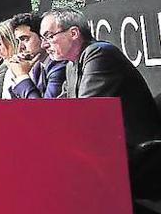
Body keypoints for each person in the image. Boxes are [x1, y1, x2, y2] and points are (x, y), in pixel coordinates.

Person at [43, 9, 161, 151]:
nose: (44, 45)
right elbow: (58, 110)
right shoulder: (70, 65)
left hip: (137, 153)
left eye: (49, 37)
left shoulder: (99, 53)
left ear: (74, 33)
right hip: (108, 149)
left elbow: (84, 113)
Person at [7, 12, 67, 99]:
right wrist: (17, 75)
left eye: (25, 39)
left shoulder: (58, 65)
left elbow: (43, 109)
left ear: (42, 37)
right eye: (18, 42)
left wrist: (22, 76)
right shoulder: (37, 67)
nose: (20, 47)